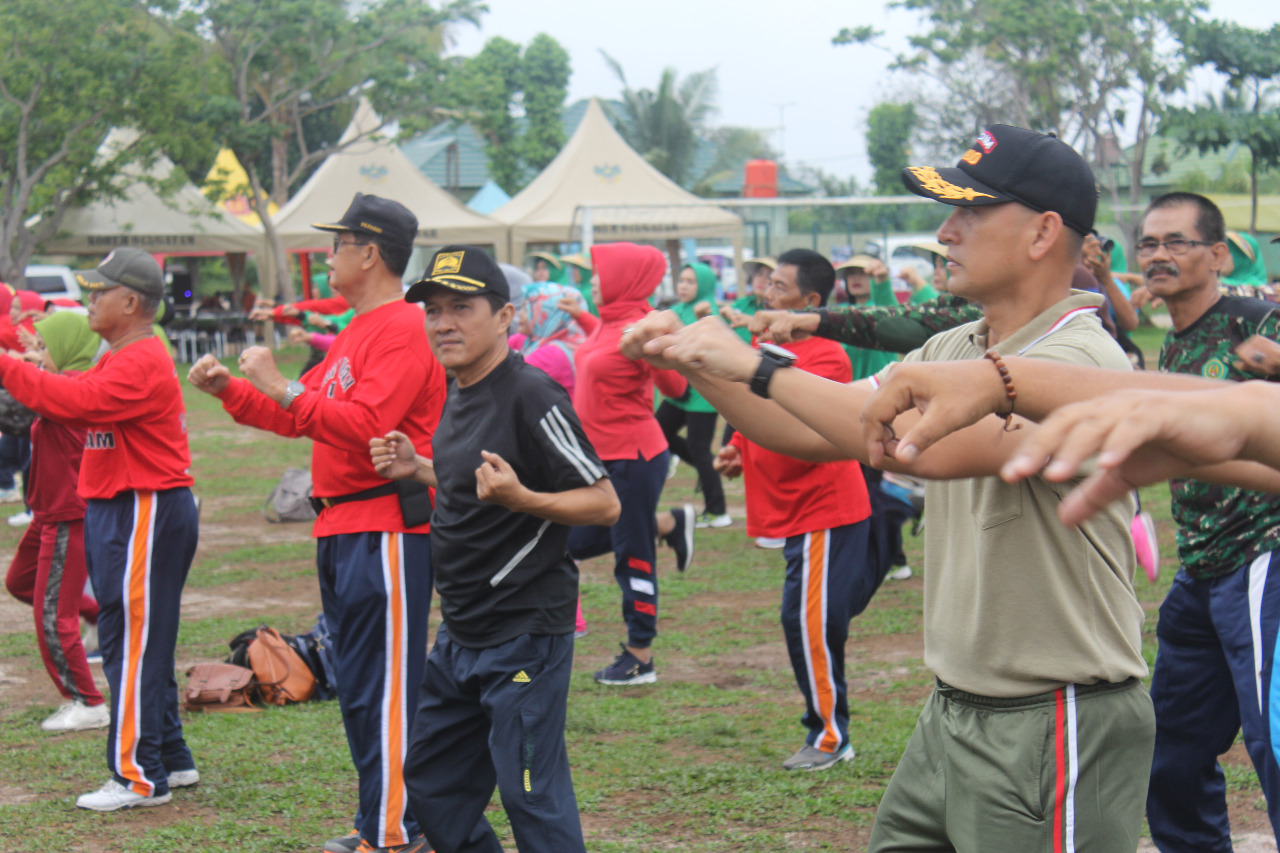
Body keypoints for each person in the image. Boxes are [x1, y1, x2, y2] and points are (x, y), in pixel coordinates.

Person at [621, 125, 1154, 851]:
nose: (945, 232)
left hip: (1055, 714)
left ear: (1042, 232)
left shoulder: (1081, 358)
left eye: (969, 212)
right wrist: (696, 359)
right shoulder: (958, 345)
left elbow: (914, 445)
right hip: (957, 706)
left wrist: (755, 364)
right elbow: (816, 431)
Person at [189, 193, 446, 853]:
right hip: (343, 530)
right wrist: (234, 391)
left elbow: (368, 430)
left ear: (369, 251)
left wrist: (282, 386)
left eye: (337, 244)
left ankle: (393, 832)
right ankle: (384, 822)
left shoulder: (403, 326)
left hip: (387, 528)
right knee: (360, 689)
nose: (328, 256)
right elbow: (301, 414)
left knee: (385, 690)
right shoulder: (361, 328)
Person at [369, 245, 618, 853]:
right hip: (461, 630)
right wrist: (420, 467)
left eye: (461, 307)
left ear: (505, 317)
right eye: (433, 310)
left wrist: (524, 499)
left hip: (524, 629)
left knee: (531, 791)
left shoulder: (531, 393)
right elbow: (476, 483)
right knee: (432, 777)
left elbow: (604, 501)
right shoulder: (460, 389)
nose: (444, 323)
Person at [0, 247, 200, 811]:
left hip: (145, 504)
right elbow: (74, 391)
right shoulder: (124, 352)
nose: (89, 300)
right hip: (130, 504)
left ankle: (139, 776)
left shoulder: (138, 356)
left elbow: (77, 402)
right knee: (140, 638)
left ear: (130, 302)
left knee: (131, 641)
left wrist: (9, 365)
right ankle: (170, 760)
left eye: (99, 292)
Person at [713, 249, 879, 771]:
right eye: (768, 283)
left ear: (809, 302)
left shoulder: (828, 356)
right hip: (800, 513)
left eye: (780, 287)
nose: (768, 293)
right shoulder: (767, 348)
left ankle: (830, 737)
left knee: (808, 624)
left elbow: (789, 411)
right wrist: (739, 445)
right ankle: (827, 729)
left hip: (824, 508)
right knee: (809, 622)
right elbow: (753, 409)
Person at [568, 242, 691, 686]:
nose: (592, 281)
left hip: (633, 459)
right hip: (599, 461)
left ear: (624, 277)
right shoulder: (607, 321)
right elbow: (600, 350)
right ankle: (668, 524)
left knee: (632, 555)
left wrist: (656, 349)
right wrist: (581, 317)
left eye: (600, 273)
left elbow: (675, 387)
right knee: (572, 543)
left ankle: (640, 655)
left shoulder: (642, 325)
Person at [3, 312, 104, 732]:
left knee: (52, 617)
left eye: (44, 349)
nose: (36, 356)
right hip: (48, 513)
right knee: (20, 583)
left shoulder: (72, 390)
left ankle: (88, 701)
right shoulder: (66, 385)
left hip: (67, 516)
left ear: (67, 351)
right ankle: (102, 615)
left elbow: (12, 408)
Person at [656, 262, 730, 528]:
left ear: (705, 285)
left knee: (700, 449)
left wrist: (702, 320)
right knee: (657, 431)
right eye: (682, 280)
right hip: (677, 391)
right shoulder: (676, 310)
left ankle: (718, 511)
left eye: (691, 281)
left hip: (701, 393)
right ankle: (704, 469)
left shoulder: (711, 313)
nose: (684, 286)